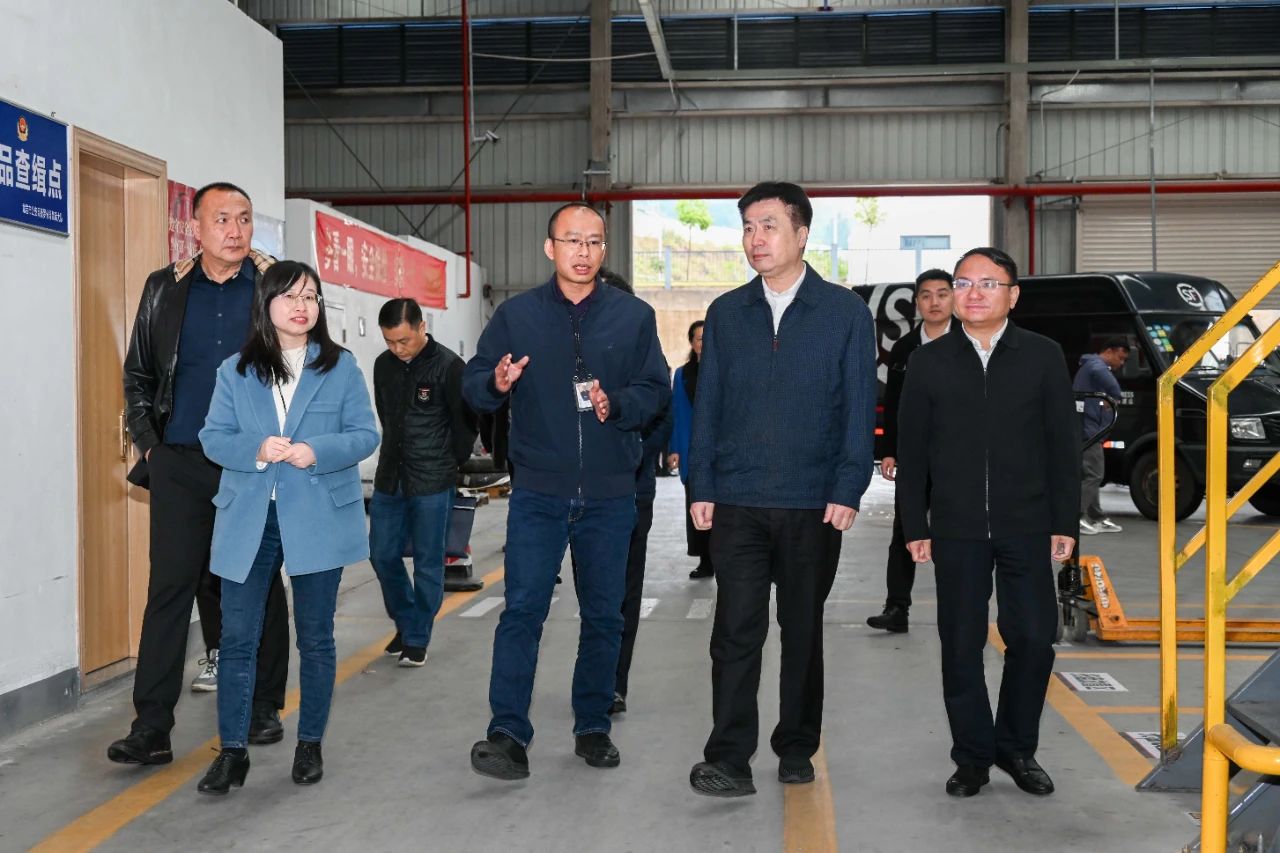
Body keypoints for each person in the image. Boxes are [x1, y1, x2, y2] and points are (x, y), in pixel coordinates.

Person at [463, 202, 669, 781]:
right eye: (572, 240)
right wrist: (495, 382)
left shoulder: (633, 316)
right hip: (538, 492)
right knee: (522, 610)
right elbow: (474, 383)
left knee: (604, 614)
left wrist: (617, 404)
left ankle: (593, 725)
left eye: (594, 241)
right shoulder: (517, 316)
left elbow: (655, 388)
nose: (583, 251)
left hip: (610, 493)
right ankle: (507, 732)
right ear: (550, 247)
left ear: (605, 249)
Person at [686, 181, 877, 798]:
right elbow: (709, 405)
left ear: (802, 234)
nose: (755, 239)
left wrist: (849, 485)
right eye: (747, 227)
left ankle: (796, 745)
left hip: (812, 502)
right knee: (735, 630)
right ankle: (728, 756)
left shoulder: (844, 313)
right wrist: (702, 483)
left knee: (801, 630)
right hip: (738, 500)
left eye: (768, 225)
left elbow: (858, 407)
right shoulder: (726, 313)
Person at [111, 182, 290, 767]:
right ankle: (151, 727)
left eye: (244, 218)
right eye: (222, 219)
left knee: (256, 584)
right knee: (170, 589)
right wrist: (152, 448)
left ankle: (262, 707)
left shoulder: (273, 285)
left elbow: (303, 366)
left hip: (251, 462)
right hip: (181, 461)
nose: (235, 230)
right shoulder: (164, 288)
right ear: (195, 227)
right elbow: (139, 374)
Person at [897, 247, 1079, 799]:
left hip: (1027, 522)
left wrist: (1065, 521)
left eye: (988, 283)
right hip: (956, 528)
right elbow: (913, 451)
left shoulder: (1042, 355)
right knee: (960, 644)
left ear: (1012, 295)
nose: (973, 293)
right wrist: (915, 525)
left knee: (1034, 638)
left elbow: (1062, 444)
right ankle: (973, 756)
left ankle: (1016, 748)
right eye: (963, 283)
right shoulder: (928, 361)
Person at [195, 260, 379, 795]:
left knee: (316, 637)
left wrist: (315, 450)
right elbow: (213, 436)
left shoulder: (340, 367)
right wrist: (255, 448)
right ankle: (232, 752)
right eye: (291, 296)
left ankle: (310, 744)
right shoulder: (235, 370)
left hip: (318, 514)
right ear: (266, 303)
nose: (302, 306)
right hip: (250, 517)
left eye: (311, 297)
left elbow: (365, 434)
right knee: (237, 639)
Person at [368, 298, 477, 666]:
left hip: (432, 480)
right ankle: (407, 620)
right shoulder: (383, 366)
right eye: (389, 341)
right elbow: (385, 415)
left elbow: (465, 426)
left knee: (429, 562)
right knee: (382, 554)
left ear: (421, 328)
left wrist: (447, 464)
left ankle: (416, 637)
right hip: (390, 477)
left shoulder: (449, 366)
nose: (397, 349)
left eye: (404, 340)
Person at [867, 270, 953, 633]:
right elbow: (894, 402)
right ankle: (896, 608)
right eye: (926, 295)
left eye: (942, 294)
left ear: (953, 298)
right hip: (914, 458)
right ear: (917, 302)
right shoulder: (904, 348)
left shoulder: (968, 343)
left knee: (956, 535)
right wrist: (889, 450)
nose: (934, 302)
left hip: (957, 459)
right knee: (904, 531)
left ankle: (960, 610)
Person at [668, 321, 714, 580]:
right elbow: (676, 413)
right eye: (699, 338)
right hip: (692, 449)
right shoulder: (682, 375)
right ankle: (705, 561)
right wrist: (674, 448)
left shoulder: (725, 369)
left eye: (707, 338)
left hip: (722, 451)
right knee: (697, 504)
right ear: (691, 342)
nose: (703, 343)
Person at [1074, 338, 1129, 535]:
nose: (1121, 363)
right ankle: (1076, 518)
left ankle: (1095, 516)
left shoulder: (1090, 366)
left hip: (1090, 429)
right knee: (1094, 474)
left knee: (1091, 474)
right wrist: (1114, 395)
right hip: (1089, 430)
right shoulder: (1097, 366)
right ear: (1109, 351)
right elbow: (1113, 387)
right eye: (1120, 358)